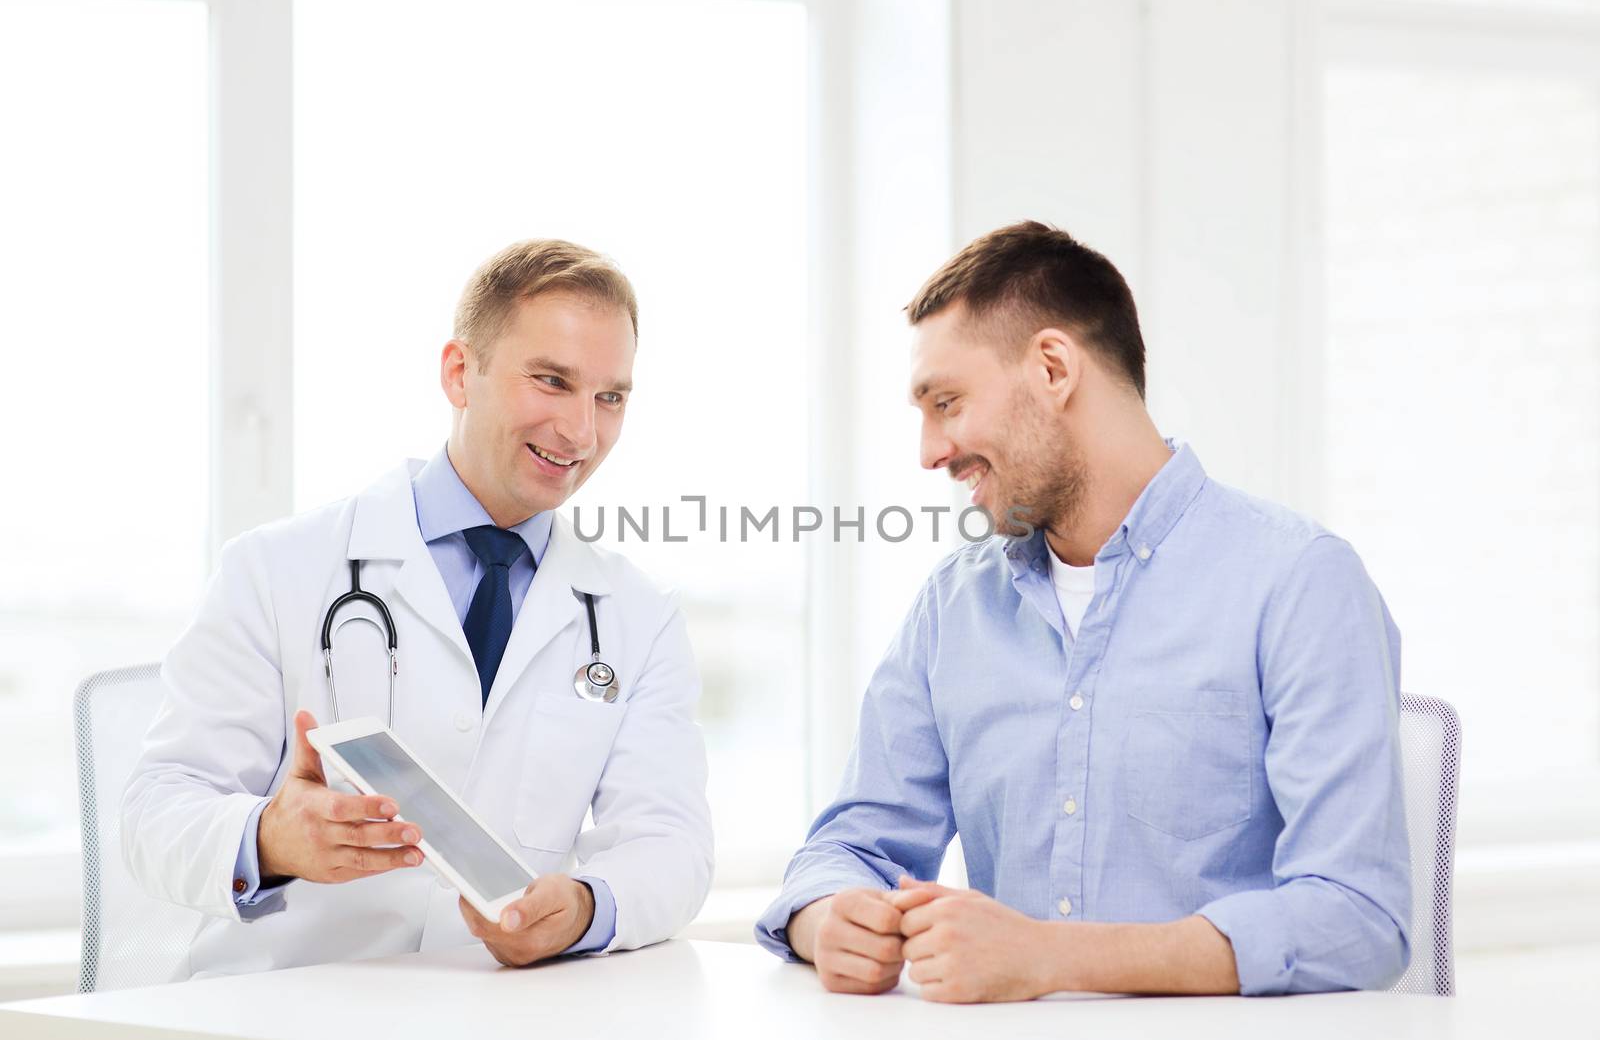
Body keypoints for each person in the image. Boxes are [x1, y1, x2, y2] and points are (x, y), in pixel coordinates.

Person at [755, 221, 1411, 1000]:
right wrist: (830, 920)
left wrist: (1053, 957)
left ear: (1054, 368)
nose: (929, 451)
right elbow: (848, 847)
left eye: (948, 402)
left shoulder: (1297, 582)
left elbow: (1360, 919)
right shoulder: (954, 605)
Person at [124, 239, 713, 977]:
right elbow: (155, 813)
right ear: (460, 372)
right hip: (283, 1011)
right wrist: (272, 836)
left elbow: (671, 845)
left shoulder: (635, 615)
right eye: (552, 381)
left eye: (610, 397)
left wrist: (589, 907)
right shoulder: (274, 568)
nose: (581, 433)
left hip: (496, 1013)